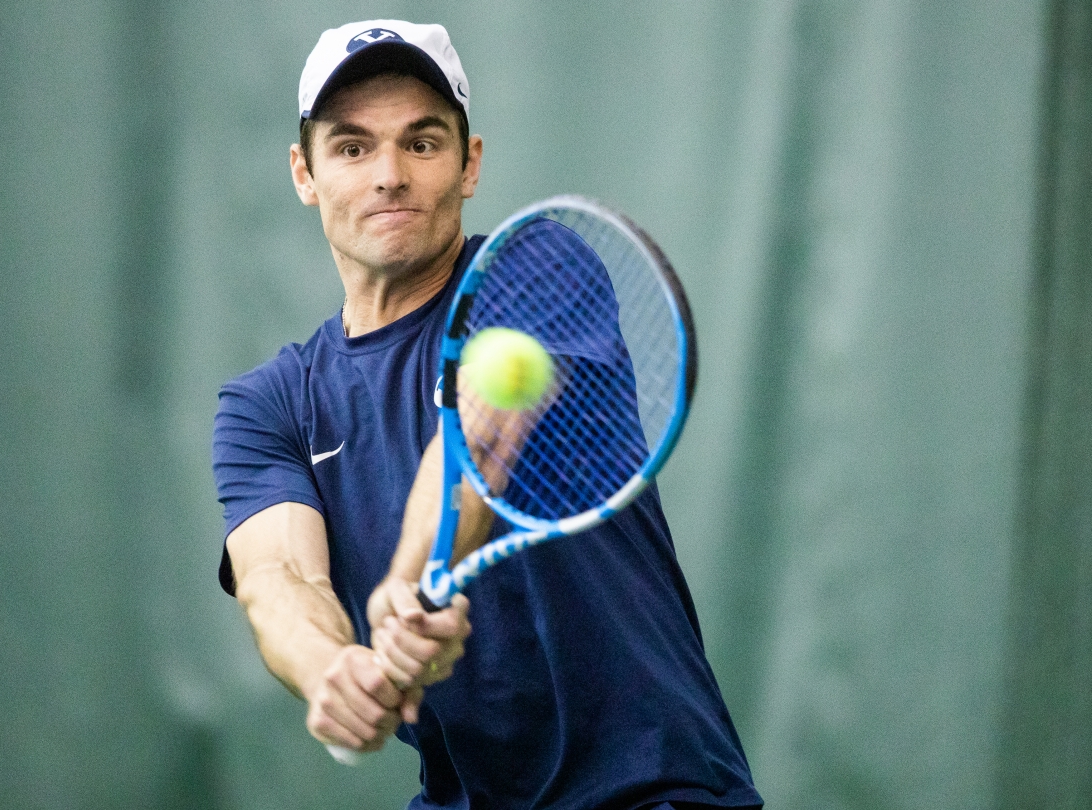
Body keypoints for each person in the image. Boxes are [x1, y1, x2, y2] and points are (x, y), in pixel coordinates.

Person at [212, 19, 763, 810]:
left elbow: (480, 440)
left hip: (650, 790)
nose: (389, 175)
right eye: (353, 147)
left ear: (469, 165)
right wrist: (336, 670)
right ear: (305, 172)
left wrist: (405, 584)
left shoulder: (536, 264)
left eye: (423, 143)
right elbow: (282, 576)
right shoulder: (267, 404)